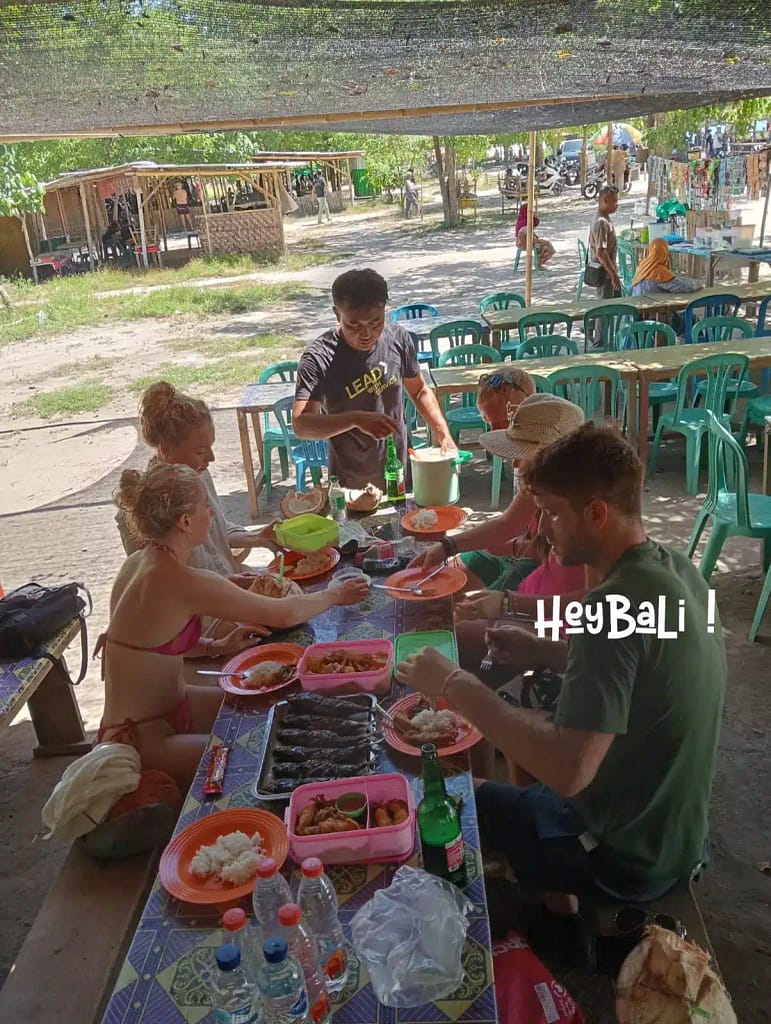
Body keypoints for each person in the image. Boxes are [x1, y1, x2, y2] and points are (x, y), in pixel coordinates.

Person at [397, 424, 726, 912]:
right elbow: (646, 666)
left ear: (596, 514)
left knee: (444, 798)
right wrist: (543, 651)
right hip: (675, 833)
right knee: (518, 734)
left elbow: (568, 772)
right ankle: (551, 900)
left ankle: (531, 920)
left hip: (622, 855)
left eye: (552, 513)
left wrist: (452, 683)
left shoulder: (610, 607)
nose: (542, 529)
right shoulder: (680, 571)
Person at [98, 463, 368, 789]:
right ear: (185, 522)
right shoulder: (180, 580)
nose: (212, 512)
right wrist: (334, 595)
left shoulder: (140, 563)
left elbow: (151, 642)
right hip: (139, 737)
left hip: (175, 703)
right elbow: (283, 615)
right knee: (249, 758)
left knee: (269, 708)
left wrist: (216, 647)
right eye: (205, 506)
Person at [116, 382, 282, 654]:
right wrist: (214, 646)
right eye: (200, 450)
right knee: (290, 621)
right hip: (203, 630)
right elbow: (162, 605)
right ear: (166, 449)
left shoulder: (199, 477)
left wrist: (257, 537)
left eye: (210, 447)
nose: (212, 458)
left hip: (230, 597)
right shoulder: (142, 509)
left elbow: (217, 529)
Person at [292, 269, 456, 489]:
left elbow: (418, 390)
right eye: (353, 325)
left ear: (384, 311)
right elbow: (302, 424)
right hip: (351, 483)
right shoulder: (319, 357)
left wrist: (442, 432)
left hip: (399, 472)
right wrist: (355, 419)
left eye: (375, 323)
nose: (366, 334)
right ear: (336, 314)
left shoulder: (397, 338)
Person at [587, 187, 622, 324]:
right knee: (604, 311)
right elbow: (601, 253)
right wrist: (613, 274)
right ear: (605, 200)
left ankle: (590, 327)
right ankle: (599, 342)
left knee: (617, 304)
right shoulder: (601, 222)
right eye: (615, 201)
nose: (617, 204)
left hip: (608, 271)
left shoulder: (605, 218)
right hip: (604, 273)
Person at [631, 239, 702, 298]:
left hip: (637, 310)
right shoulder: (659, 271)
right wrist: (698, 283)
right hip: (652, 311)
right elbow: (683, 287)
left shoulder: (642, 266)